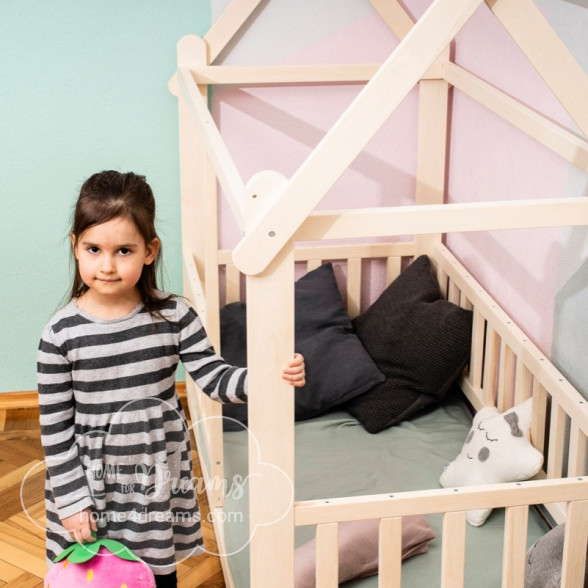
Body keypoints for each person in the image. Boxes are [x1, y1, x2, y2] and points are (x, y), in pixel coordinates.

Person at [37, 170, 305, 588]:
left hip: (153, 477)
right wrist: (72, 502)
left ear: (149, 251)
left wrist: (267, 378)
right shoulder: (60, 334)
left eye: (123, 250)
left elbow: (214, 378)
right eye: (94, 249)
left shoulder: (174, 315)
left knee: (155, 575)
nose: (107, 265)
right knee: (92, 575)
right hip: (90, 483)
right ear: (76, 247)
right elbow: (55, 432)